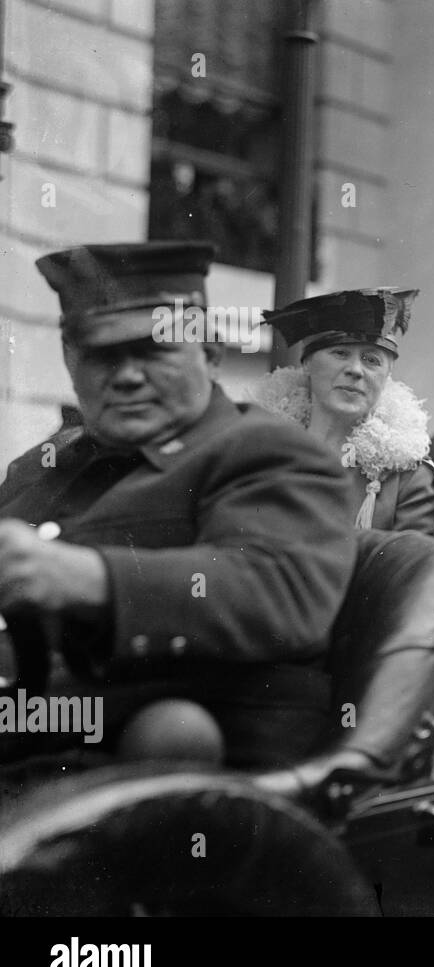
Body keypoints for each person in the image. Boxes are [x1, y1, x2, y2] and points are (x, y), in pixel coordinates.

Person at [0, 241, 356, 769]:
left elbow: (283, 592)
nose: (125, 376)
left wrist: (84, 576)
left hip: (160, 758)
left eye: (153, 351)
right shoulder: (46, 463)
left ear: (209, 355)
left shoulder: (264, 451)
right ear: (71, 362)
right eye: (101, 354)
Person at [253, 288, 434, 534]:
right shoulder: (258, 454)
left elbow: (408, 565)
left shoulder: (409, 478)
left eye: (372, 360)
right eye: (340, 353)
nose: (355, 370)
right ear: (308, 364)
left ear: (387, 376)